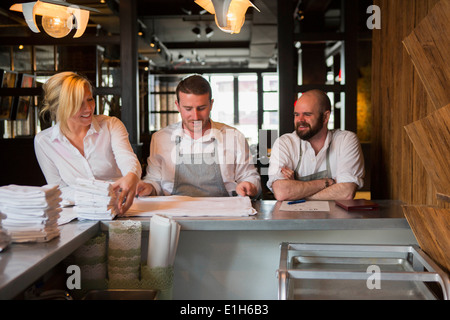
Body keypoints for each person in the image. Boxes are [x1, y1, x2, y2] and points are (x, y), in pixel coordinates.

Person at [136, 74, 261, 198]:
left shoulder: (234, 137)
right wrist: (149, 187)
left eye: (201, 108)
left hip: (224, 214)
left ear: (211, 104)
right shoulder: (161, 138)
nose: (195, 116)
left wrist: (249, 185)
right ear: (178, 106)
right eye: (188, 108)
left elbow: (250, 177)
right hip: (173, 214)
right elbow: (154, 181)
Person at [34, 72, 142, 214]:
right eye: (78, 103)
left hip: (121, 208)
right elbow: (58, 190)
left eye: (90, 99)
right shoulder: (44, 142)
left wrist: (131, 176)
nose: (89, 108)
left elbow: (127, 159)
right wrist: (99, 195)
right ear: (59, 107)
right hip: (79, 214)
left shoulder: (111, 125)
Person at [267, 89, 364, 201]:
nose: (300, 120)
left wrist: (297, 192)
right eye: (297, 114)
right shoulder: (285, 143)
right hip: (294, 218)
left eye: (307, 114)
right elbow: (282, 192)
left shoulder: (346, 140)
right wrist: (328, 182)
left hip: (335, 217)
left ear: (325, 117)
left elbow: (346, 192)